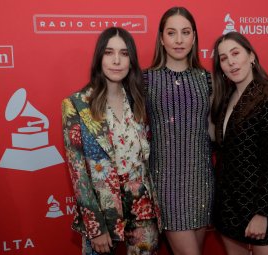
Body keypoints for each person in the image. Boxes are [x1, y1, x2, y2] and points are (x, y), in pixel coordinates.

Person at [62, 27, 161, 255]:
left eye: (124, 54)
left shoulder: (139, 102)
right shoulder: (76, 105)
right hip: (104, 214)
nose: (116, 61)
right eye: (109, 52)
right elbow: (79, 175)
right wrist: (95, 227)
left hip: (143, 210)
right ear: (99, 58)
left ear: (131, 61)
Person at [143, 7, 214, 255]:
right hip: (166, 185)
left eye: (185, 33)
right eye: (171, 33)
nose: (179, 40)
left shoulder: (207, 78)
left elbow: (214, 131)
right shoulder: (146, 80)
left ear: (194, 36)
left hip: (202, 182)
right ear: (161, 38)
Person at [211, 31, 268, 255]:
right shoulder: (225, 99)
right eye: (224, 58)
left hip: (258, 209)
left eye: (235, 53)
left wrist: (262, 214)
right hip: (228, 207)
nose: (231, 62)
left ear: (251, 56)